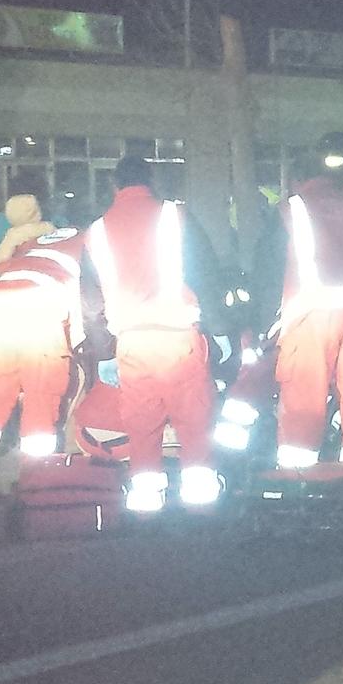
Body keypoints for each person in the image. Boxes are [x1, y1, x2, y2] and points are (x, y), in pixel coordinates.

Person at [86, 155, 225, 510]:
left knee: (142, 421)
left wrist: (104, 353)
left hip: (131, 342)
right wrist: (221, 329)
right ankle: (201, 496)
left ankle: (146, 497)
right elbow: (205, 273)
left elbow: (90, 300)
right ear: (152, 181)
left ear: (114, 186)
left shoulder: (97, 231)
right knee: (193, 417)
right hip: (179, 336)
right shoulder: (175, 217)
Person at [252, 132, 343, 468]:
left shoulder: (292, 209)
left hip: (312, 313)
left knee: (304, 399)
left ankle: (298, 475)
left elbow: (268, 267)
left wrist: (263, 323)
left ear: (301, 176)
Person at [0, 225, 102, 531]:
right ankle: (35, 486)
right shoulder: (89, 242)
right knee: (41, 402)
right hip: (42, 310)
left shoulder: (31, 243)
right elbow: (92, 302)